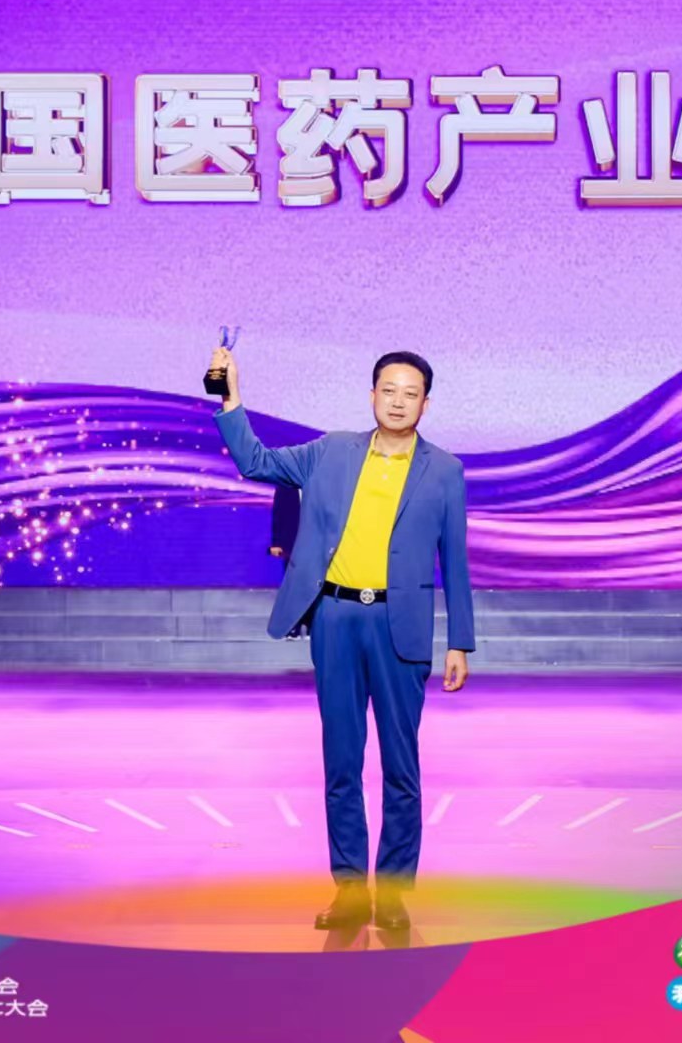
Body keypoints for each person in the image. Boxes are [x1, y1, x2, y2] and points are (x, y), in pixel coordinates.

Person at [209, 345, 475, 933]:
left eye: (410, 393)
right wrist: (229, 395)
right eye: (389, 390)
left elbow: (454, 560)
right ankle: (351, 889)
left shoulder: (445, 471)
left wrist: (460, 640)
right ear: (372, 394)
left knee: (402, 767)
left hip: (400, 626)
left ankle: (394, 893)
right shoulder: (330, 451)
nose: (398, 402)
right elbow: (255, 461)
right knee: (341, 762)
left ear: (426, 404)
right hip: (335, 620)